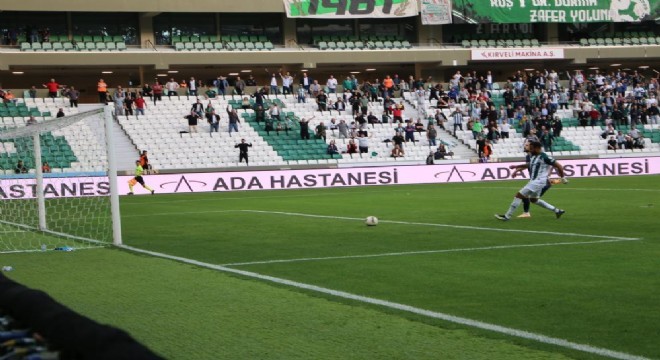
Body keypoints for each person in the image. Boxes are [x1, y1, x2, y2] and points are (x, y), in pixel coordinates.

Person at [495, 141, 567, 221]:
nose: (530, 150)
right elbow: (529, 165)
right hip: (535, 181)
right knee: (534, 200)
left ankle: (507, 216)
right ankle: (557, 211)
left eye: (532, 148)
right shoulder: (533, 156)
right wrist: (516, 166)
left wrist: (563, 177)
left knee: (518, 195)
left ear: (537, 148)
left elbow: (559, 166)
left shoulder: (545, 157)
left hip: (538, 181)